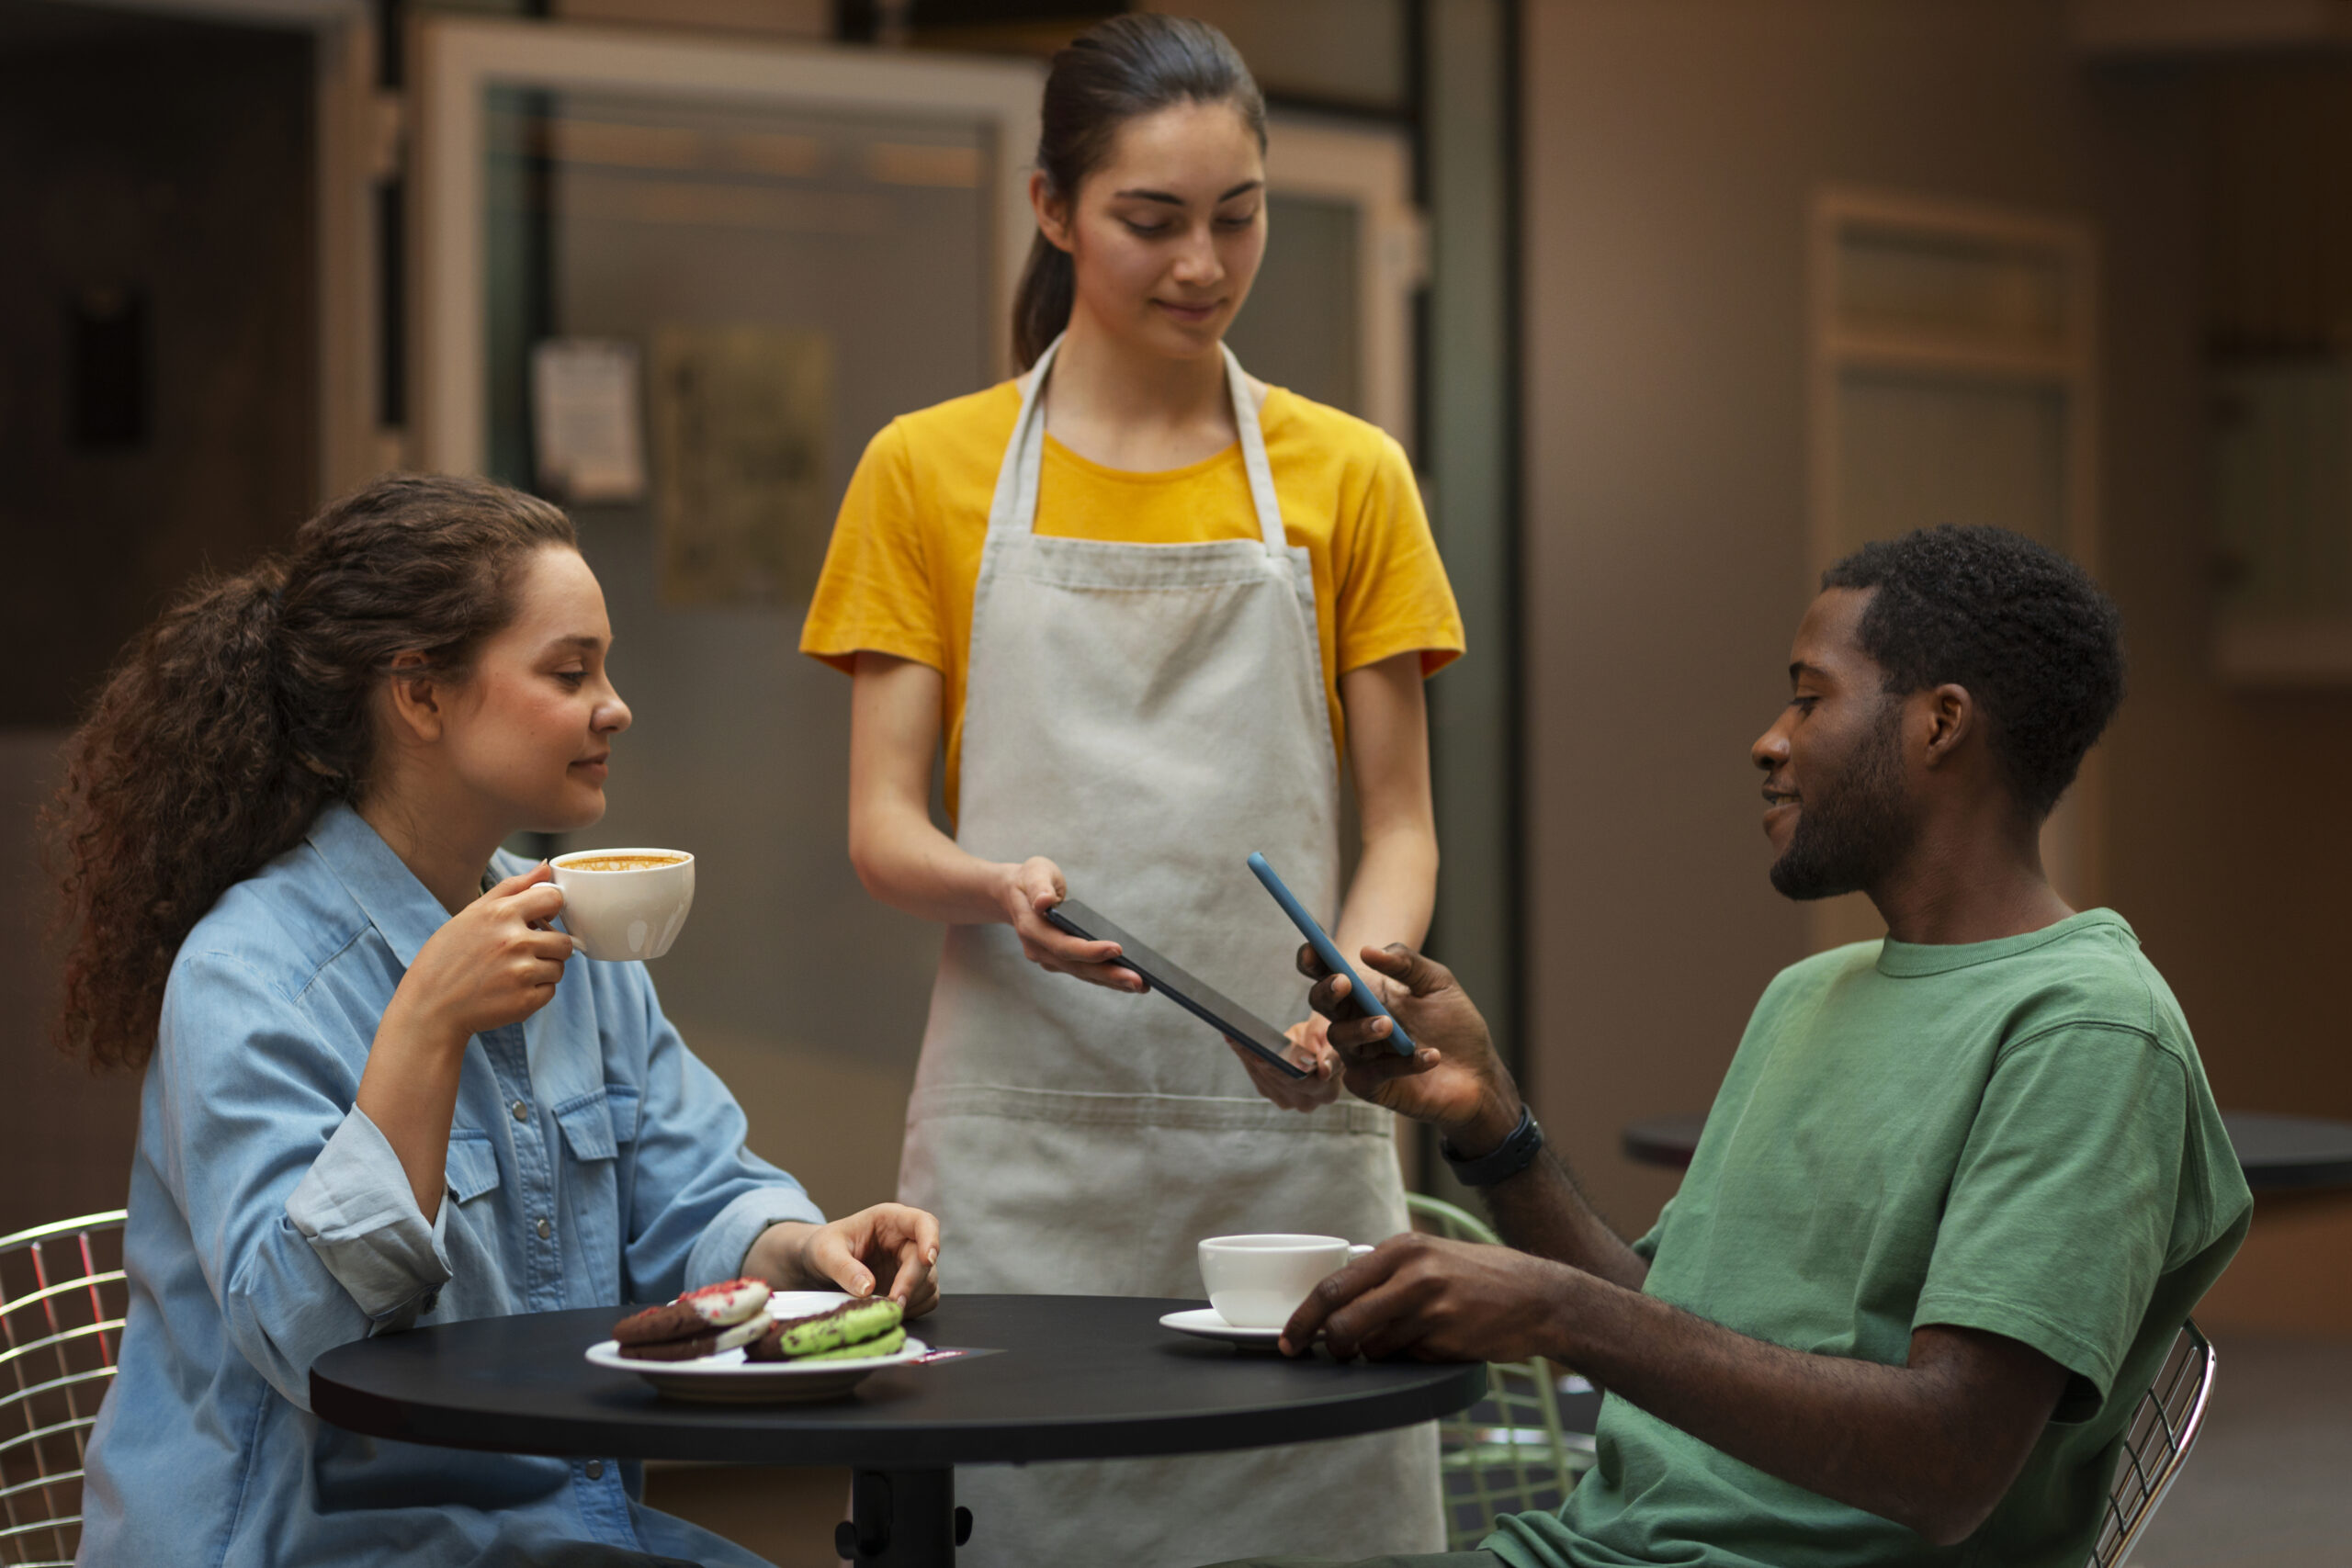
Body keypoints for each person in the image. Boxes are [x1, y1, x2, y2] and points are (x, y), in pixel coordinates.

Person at [1207, 526, 2253, 1568]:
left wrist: (1559, 1314)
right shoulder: (1810, 994)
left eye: (1809, 696)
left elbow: (1949, 1466)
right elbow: (1672, 1332)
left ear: (1940, 724)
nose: (1769, 740)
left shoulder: (2088, 1030)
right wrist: (1492, 1124)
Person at [798, 13, 1463, 1563]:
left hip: (1287, 1131)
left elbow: (1403, 824)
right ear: (1052, 209)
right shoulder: (927, 469)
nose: (1203, 264)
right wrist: (994, 884)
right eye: (1151, 222)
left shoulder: (1348, 473)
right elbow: (885, 829)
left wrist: (1360, 979)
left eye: (1238, 216)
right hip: (1024, 1158)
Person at [54, 475, 941, 1568]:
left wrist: (805, 1248)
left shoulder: (575, 928)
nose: (615, 705)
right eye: (571, 672)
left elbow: (692, 1193)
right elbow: (307, 1343)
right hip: (300, 1543)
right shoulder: (250, 969)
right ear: (419, 697)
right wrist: (425, 1027)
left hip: (547, 1531)